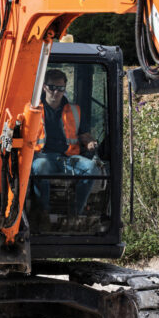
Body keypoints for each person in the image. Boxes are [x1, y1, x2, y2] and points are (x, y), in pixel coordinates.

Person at [31, 69, 98, 218]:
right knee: (40, 167)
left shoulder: (74, 110)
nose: (56, 92)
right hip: (43, 156)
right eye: (52, 87)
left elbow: (84, 135)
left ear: (65, 88)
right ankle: (44, 213)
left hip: (68, 158)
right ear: (44, 87)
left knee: (92, 168)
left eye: (60, 88)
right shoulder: (33, 110)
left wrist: (90, 142)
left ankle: (75, 213)